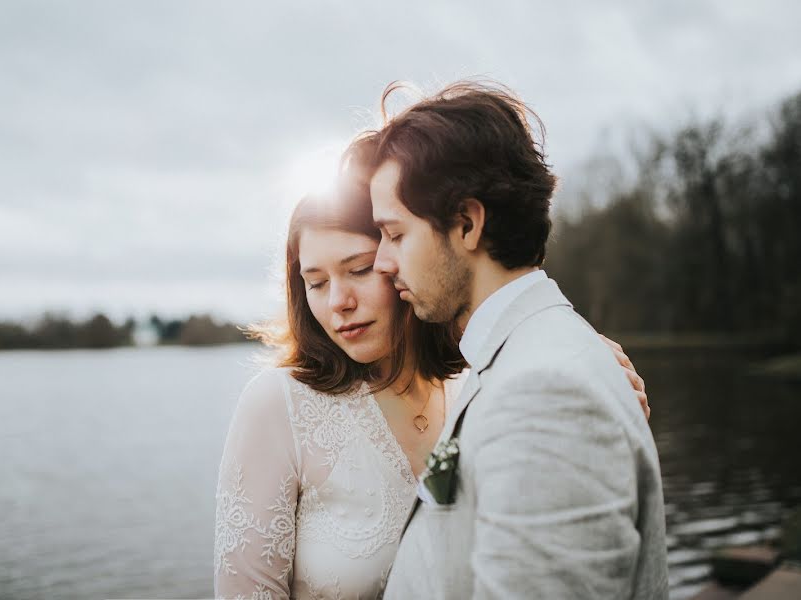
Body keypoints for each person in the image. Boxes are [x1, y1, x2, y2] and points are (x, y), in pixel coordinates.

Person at [213, 161, 651, 599]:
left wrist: (587, 370)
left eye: (360, 269)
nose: (338, 302)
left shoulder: (482, 386)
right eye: (316, 282)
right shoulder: (278, 404)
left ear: (398, 258)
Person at [363, 81, 668, 599]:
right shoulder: (523, 356)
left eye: (395, 235)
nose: (381, 262)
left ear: (466, 223)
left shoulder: (548, 392)